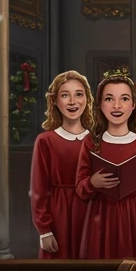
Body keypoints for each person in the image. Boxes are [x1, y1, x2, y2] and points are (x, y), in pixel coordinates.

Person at [77, 74, 136, 261]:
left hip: (135, 217)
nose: (117, 106)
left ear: (133, 105)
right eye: (109, 99)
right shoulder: (91, 143)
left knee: (134, 270)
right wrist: (92, 182)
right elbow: (80, 188)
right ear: (100, 104)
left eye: (124, 99)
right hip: (101, 216)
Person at [31, 71, 95, 258]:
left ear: (87, 99)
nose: (72, 102)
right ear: (55, 101)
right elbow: (38, 190)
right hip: (59, 215)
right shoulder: (46, 141)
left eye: (79, 94)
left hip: (91, 213)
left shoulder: (96, 140)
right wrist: (44, 230)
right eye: (65, 95)